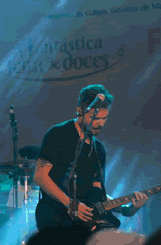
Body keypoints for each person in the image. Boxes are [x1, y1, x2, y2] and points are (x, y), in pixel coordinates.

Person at [33, 84, 149, 231]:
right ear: (79, 111)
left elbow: (98, 195)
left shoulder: (98, 149)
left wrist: (127, 209)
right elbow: (40, 176)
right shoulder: (58, 134)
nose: (100, 123)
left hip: (84, 222)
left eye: (104, 118)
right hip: (55, 216)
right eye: (95, 118)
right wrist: (70, 204)